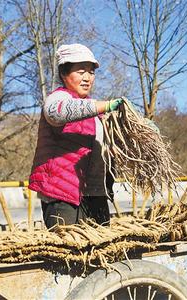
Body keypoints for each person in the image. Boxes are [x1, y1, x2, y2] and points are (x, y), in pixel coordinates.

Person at [28, 43, 123, 229]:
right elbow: (57, 112)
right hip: (62, 197)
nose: (87, 77)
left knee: (101, 251)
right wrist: (106, 105)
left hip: (95, 194)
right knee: (70, 252)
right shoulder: (58, 99)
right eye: (81, 72)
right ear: (64, 74)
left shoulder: (96, 111)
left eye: (91, 72)